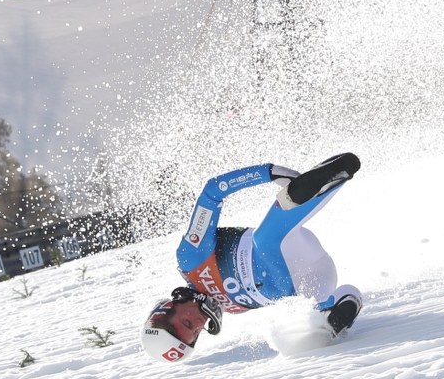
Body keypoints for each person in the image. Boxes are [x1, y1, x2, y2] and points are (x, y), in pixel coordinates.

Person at [141, 152, 363, 363]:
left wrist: (269, 172)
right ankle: (335, 310)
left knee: (266, 241)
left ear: (170, 306)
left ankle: (321, 182)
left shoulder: (191, 260)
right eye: (196, 332)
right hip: (316, 277)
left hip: (288, 246)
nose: (200, 323)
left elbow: (213, 191)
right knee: (312, 323)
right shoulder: (230, 309)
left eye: (187, 322)